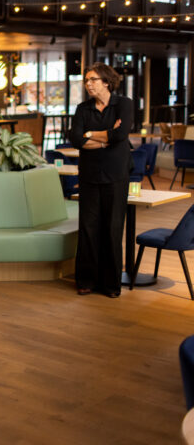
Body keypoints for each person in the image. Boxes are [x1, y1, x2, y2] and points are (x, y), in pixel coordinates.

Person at [69, 62, 133, 298]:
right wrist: (106, 138)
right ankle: (86, 280)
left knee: (112, 229)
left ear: (106, 81)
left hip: (116, 176)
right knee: (88, 228)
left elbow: (121, 134)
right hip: (89, 175)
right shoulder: (83, 109)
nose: (88, 84)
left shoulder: (123, 104)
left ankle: (110, 284)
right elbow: (76, 138)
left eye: (93, 80)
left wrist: (91, 134)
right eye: (86, 80)